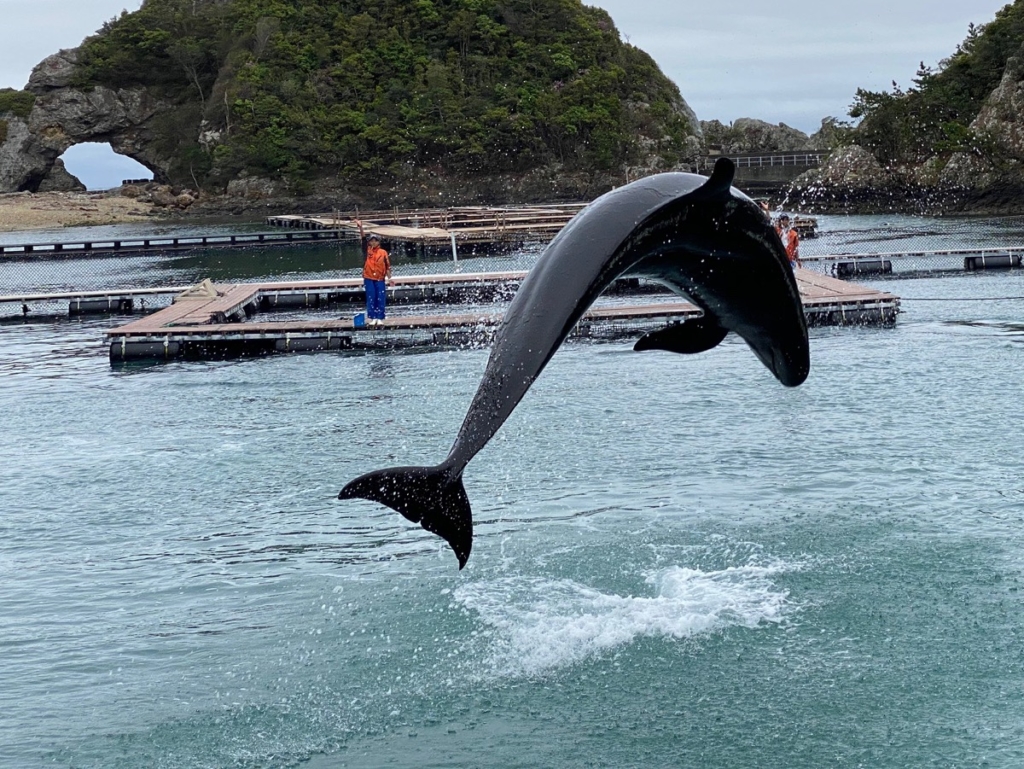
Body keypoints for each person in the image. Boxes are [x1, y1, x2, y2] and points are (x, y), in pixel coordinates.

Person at [355, 219, 391, 326]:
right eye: (372, 241)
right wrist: (360, 227)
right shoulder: (368, 250)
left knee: (380, 297)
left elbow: (387, 266)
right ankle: (372, 317)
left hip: (380, 278)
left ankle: (380, 317)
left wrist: (390, 278)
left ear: (379, 242)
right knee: (371, 297)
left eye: (376, 240)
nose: (373, 242)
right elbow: (363, 238)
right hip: (369, 277)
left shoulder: (383, 252)